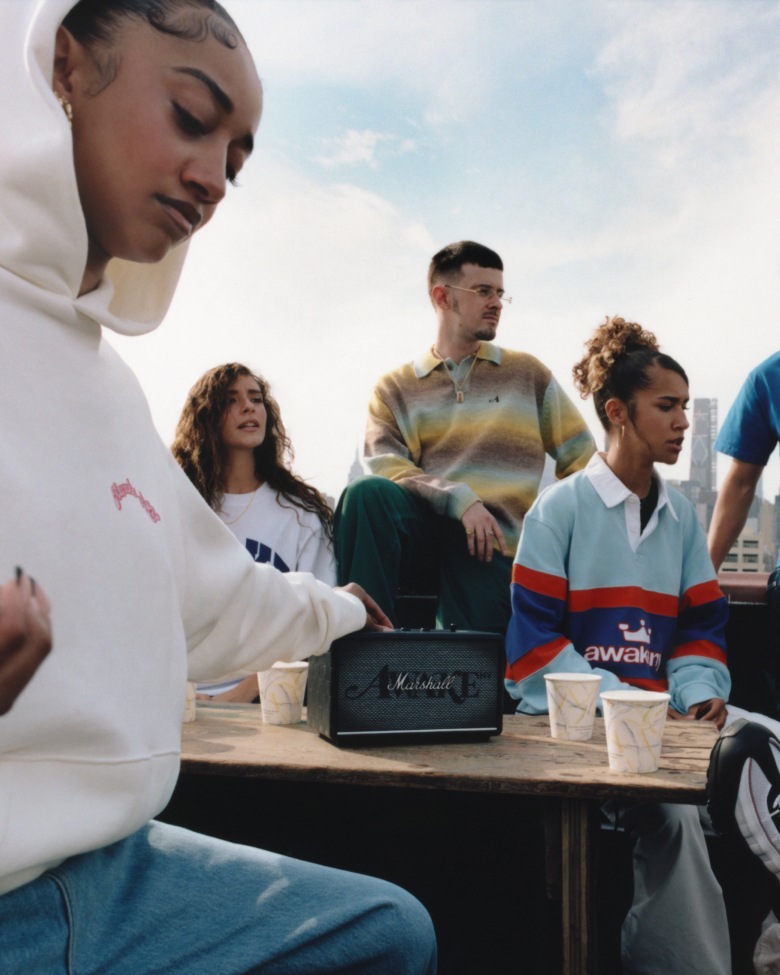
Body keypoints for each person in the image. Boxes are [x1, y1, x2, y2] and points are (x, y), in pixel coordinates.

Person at [0, 2, 437, 973]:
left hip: (108, 868)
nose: (214, 179)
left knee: (388, 934)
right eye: (194, 118)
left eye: (237, 158)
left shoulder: (110, 390)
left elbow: (218, 593)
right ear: (64, 65)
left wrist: (342, 613)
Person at [503, 315, 780, 974]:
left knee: (771, 740)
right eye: (667, 406)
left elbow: (699, 628)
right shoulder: (558, 510)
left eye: (686, 406)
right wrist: (626, 702)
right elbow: (531, 646)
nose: (683, 421)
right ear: (618, 412)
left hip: (667, 720)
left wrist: (701, 693)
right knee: (673, 817)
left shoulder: (682, 517)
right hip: (578, 729)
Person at [335, 240, 596, 634]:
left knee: (480, 677)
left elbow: (582, 459)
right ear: (442, 296)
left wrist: (548, 535)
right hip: (422, 533)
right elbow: (386, 466)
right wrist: (457, 499)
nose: (497, 303)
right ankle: (364, 653)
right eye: (483, 291)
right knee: (364, 494)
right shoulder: (395, 387)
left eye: (500, 292)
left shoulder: (527, 373)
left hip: (495, 545)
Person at [172, 362, 336, 702]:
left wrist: (237, 696)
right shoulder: (179, 506)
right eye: (231, 400)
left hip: (269, 699)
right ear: (206, 418)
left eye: (256, 398)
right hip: (180, 695)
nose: (248, 407)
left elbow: (316, 621)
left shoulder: (300, 515)